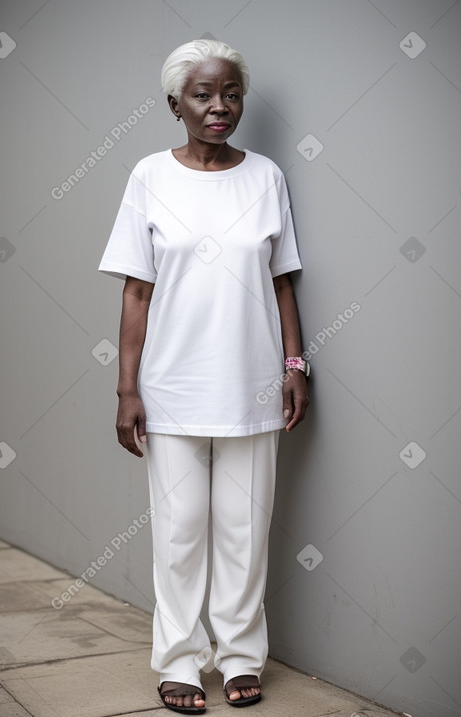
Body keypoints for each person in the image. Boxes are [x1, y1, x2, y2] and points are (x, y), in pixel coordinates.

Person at [99, 39, 309, 714]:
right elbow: (136, 291)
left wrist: (294, 363)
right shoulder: (148, 177)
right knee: (180, 531)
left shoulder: (267, 176)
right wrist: (127, 388)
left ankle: (243, 658)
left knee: (244, 534)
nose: (219, 107)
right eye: (202, 95)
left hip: (251, 385)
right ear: (174, 105)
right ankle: (181, 661)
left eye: (231, 94)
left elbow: (281, 281)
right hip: (171, 387)